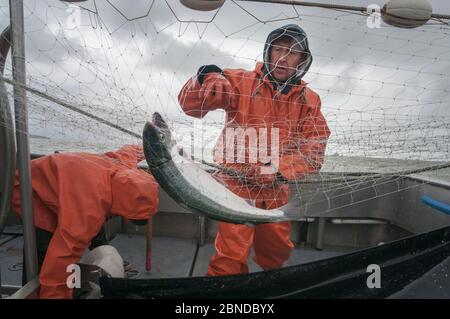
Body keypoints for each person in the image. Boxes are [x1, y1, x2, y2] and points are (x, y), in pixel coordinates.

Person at [178, 24, 331, 276]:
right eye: (278, 50)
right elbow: (191, 106)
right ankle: (222, 294)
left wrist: (279, 170)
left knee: (276, 251)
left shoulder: (309, 100)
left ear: (302, 60)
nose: (283, 57)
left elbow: (314, 148)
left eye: (292, 52)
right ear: (268, 52)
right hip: (233, 187)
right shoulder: (240, 81)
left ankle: (268, 283)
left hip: (274, 189)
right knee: (230, 256)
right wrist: (206, 76)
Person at [12, 144, 159, 298]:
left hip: (64, 185)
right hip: (29, 188)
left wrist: (157, 147)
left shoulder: (124, 165)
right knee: (47, 253)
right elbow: (62, 260)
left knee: (85, 232)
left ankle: (72, 285)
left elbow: (132, 150)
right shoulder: (88, 213)